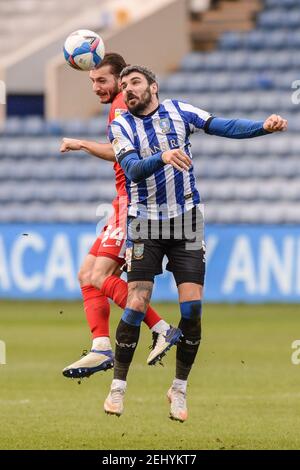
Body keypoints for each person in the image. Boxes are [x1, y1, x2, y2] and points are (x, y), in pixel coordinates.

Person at [105, 64, 288, 421]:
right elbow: (131, 169)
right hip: (144, 222)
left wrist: (262, 128)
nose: (128, 89)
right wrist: (163, 156)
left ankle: (179, 389)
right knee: (138, 300)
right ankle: (118, 387)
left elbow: (223, 125)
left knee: (192, 310)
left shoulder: (179, 110)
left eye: (135, 83)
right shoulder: (120, 125)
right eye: (123, 85)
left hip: (187, 221)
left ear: (153, 87)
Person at [60, 54, 181, 379]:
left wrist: (82, 144)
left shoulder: (119, 104)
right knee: (87, 273)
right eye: (91, 81)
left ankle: (160, 327)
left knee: (99, 275)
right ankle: (100, 346)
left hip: (132, 202)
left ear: (119, 80)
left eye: (102, 80)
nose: (96, 86)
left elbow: (121, 150)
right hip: (121, 202)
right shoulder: (120, 103)